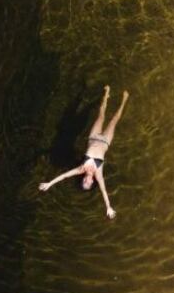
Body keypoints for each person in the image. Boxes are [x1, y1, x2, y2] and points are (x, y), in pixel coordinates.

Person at [39, 86, 129, 219]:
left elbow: (64, 176)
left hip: (93, 136)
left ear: (83, 179)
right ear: (92, 183)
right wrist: (108, 207)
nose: (87, 181)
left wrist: (49, 183)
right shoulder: (98, 174)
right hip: (105, 141)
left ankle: (106, 94)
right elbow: (104, 191)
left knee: (101, 115)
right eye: (89, 183)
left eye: (84, 182)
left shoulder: (81, 169)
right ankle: (124, 100)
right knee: (114, 120)